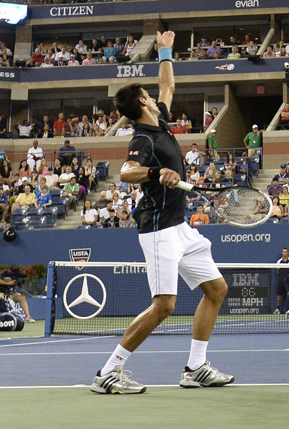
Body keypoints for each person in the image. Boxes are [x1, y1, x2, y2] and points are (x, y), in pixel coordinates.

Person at [92, 30, 232, 394]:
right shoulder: (143, 139)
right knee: (165, 305)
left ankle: (195, 368)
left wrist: (166, 49)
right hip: (158, 230)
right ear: (142, 102)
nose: (157, 97)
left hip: (180, 227)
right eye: (149, 96)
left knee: (216, 289)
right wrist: (157, 172)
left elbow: (167, 84)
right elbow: (125, 173)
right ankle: (108, 372)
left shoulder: (162, 121)